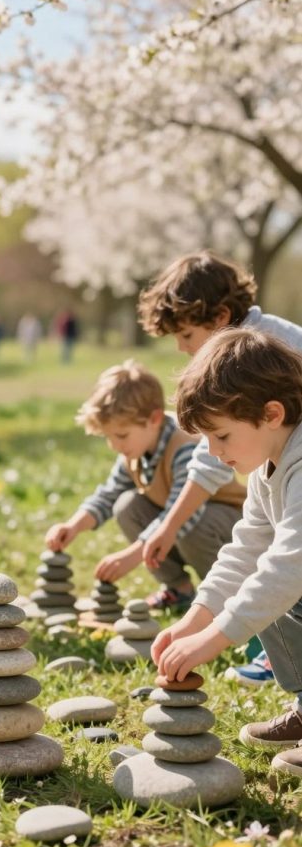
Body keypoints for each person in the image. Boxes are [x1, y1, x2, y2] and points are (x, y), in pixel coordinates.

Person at [152, 329, 302, 779]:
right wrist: (195, 619)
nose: (215, 454)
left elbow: (290, 566)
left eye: (221, 437)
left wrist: (215, 638)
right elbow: (245, 552)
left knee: (277, 585)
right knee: (262, 588)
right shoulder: (266, 466)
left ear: (271, 414)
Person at [137, 251, 302, 623]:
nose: (181, 347)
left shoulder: (261, 350)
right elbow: (215, 453)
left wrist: (170, 526)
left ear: (221, 318)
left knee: (284, 563)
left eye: (186, 334)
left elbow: (213, 463)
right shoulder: (242, 355)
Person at [45, 361, 244, 594]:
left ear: (154, 419)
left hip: (225, 523)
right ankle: (178, 589)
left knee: (194, 523)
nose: (115, 445)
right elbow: (109, 494)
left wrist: (133, 555)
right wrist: (73, 525)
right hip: (182, 528)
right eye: (108, 437)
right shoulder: (134, 451)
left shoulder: (184, 446)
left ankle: (224, 594)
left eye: (121, 435)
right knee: (127, 505)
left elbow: (180, 514)